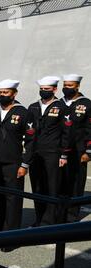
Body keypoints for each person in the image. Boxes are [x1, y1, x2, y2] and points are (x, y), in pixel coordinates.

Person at [0, 80, 34, 250]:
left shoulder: (23, 113)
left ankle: (11, 238)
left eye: (6, 92)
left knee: (13, 200)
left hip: (14, 164)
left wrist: (25, 164)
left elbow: (30, 141)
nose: (2, 95)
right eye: (0, 92)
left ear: (14, 93)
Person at [28, 76, 73, 226]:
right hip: (35, 153)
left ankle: (50, 221)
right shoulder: (33, 107)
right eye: (41, 89)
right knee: (37, 187)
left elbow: (67, 132)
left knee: (52, 187)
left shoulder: (62, 107)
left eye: (47, 89)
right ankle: (39, 217)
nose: (43, 92)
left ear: (54, 89)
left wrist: (64, 154)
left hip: (53, 152)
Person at [60, 74, 91, 222]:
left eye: (70, 86)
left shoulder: (86, 104)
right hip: (59, 150)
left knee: (76, 183)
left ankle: (72, 215)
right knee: (61, 183)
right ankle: (60, 212)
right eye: (65, 85)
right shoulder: (59, 103)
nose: (66, 88)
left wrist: (88, 151)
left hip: (79, 150)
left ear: (77, 86)